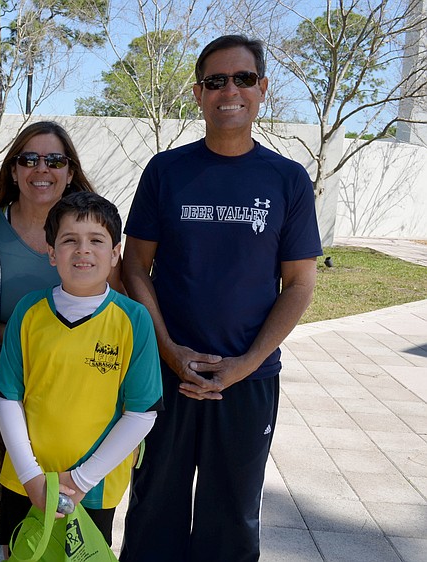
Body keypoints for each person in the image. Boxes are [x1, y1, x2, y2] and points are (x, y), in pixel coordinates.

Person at [119, 35, 322, 562]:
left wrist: (245, 363)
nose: (229, 90)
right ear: (198, 92)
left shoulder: (288, 179)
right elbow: (133, 266)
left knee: (231, 516)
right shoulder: (166, 171)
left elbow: (299, 283)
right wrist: (168, 350)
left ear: (262, 90)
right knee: (153, 507)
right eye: (215, 81)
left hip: (248, 379)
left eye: (243, 79)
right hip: (164, 376)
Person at [0, 192, 163, 556]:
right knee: (18, 554)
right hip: (25, 480)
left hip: (93, 487)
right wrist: (31, 476)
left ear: (115, 253)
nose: (83, 250)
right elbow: (8, 398)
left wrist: (81, 479)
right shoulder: (29, 311)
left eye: (96, 241)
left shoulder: (133, 320)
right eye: (69, 240)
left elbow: (142, 413)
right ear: (52, 253)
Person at [0, 121, 121, 394]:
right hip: (2, 389)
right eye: (28, 160)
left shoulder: (99, 234)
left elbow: (118, 313)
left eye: (55, 160)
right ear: (14, 172)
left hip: (84, 388)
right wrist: (39, 336)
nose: (42, 169)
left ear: (70, 172)